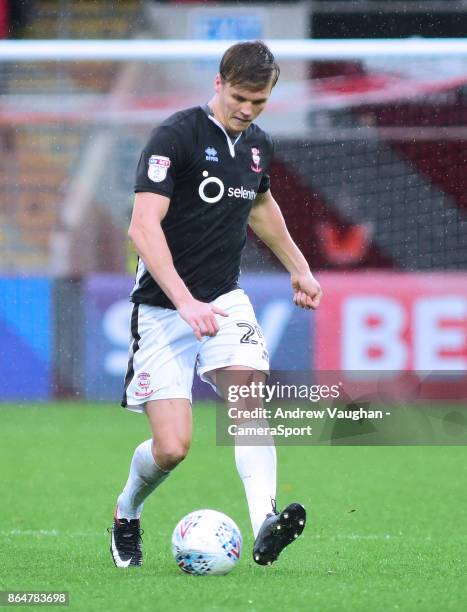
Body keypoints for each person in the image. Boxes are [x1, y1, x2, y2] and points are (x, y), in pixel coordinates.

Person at [109, 40, 323, 569]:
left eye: (260, 102)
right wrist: (185, 302)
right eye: (240, 97)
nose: (247, 110)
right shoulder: (175, 136)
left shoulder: (256, 146)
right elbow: (142, 226)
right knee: (173, 448)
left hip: (225, 300)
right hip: (163, 309)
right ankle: (126, 510)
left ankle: (264, 526)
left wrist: (300, 267)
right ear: (219, 83)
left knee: (249, 401)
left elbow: (261, 205)